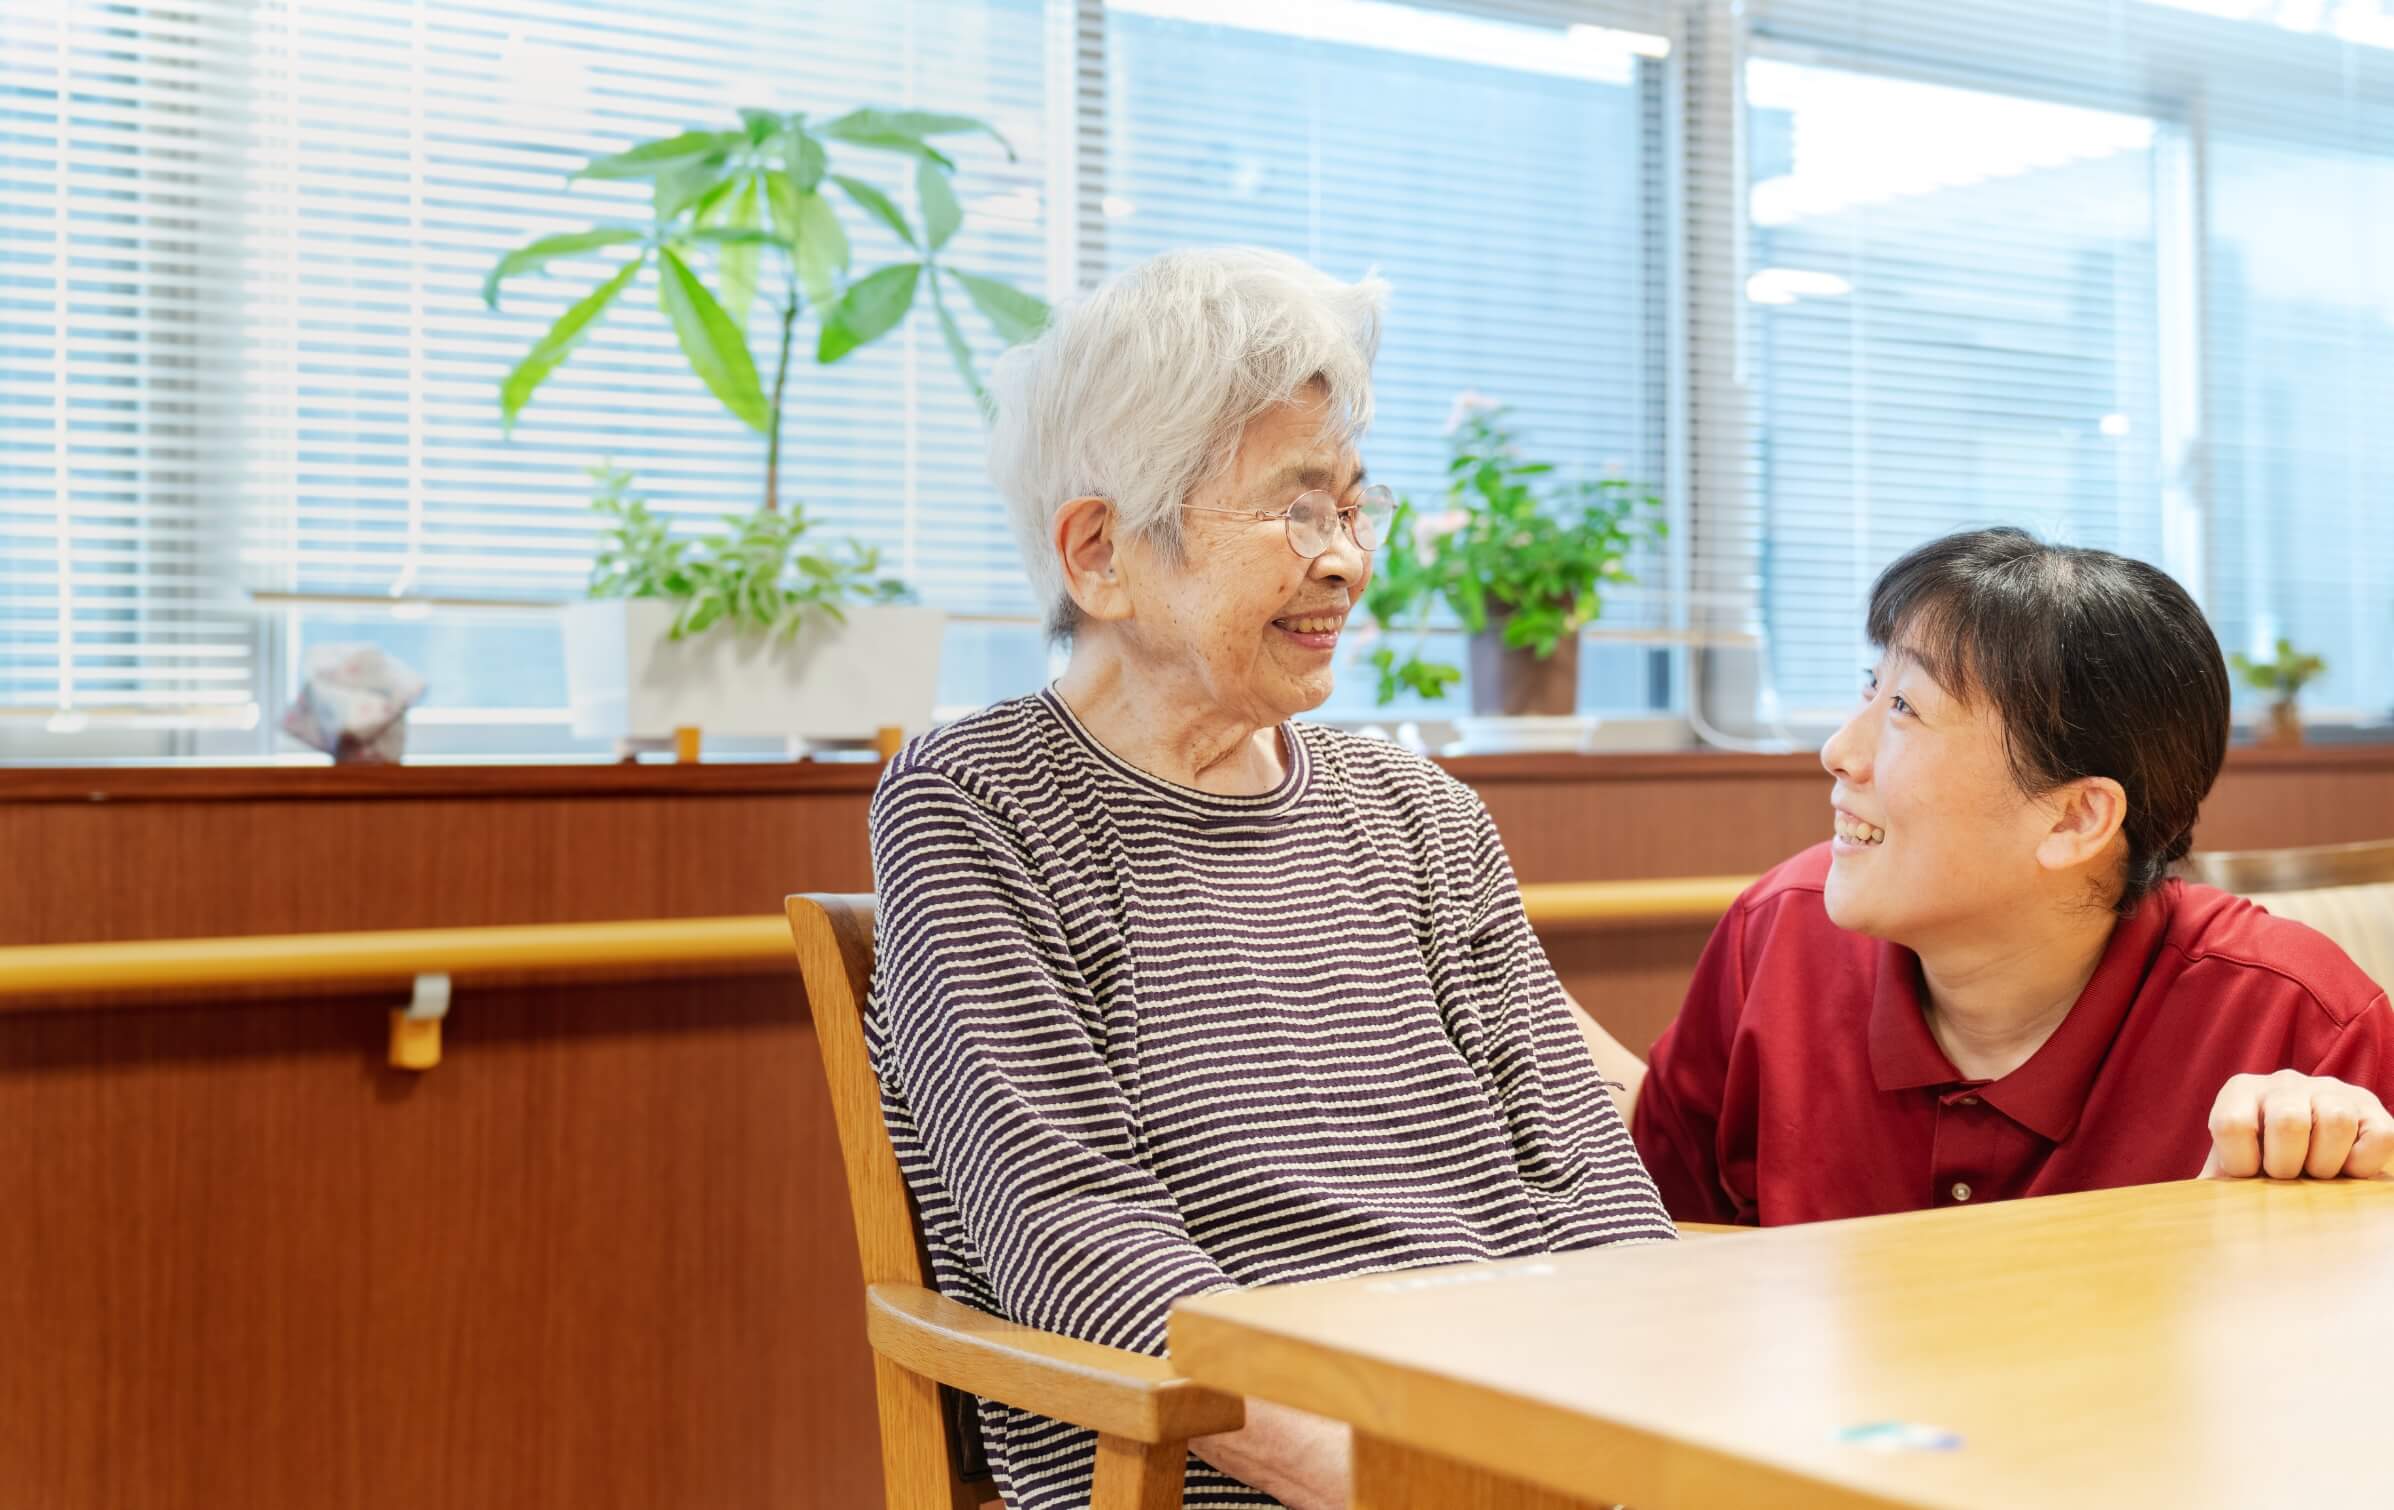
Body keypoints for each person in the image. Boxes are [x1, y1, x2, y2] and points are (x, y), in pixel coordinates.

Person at [864, 246, 1675, 1510]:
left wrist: (1660, 1441)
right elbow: (1067, 1229)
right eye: (1297, 510)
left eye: (1354, 506)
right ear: (1101, 554)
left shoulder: (1418, 812)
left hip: (1536, 1451)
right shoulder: (977, 804)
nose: (1348, 559)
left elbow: (1582, 1168)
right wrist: (1412, 1483)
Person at [1592, 528, 2393, 1226]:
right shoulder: (1776, 934)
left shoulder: (2300, 1021)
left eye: (1905, 707)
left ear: (2076, 818)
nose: (1840, 749)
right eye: (1872, 686)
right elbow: (1659, 1233)